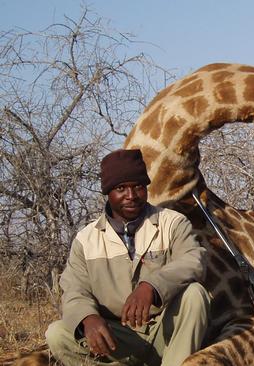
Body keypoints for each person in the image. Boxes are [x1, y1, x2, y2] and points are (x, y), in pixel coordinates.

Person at [45, 149, 211, 366]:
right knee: (56, 334)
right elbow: (74, 289)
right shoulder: (86, 239)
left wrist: (151, 286)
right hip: (117, 337)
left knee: (195, 294)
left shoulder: (172, 222)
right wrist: (88, 318)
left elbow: (193, 259)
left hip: (165, 330)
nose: (131, 196)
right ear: (107, 192)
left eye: (138, 187)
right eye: (121, 188)